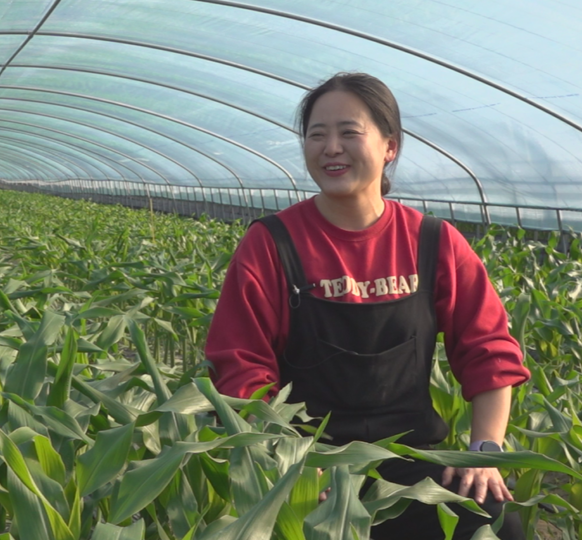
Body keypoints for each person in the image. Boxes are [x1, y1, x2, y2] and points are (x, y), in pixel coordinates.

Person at [204, 72, 531, 539]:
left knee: (498, 521)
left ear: (389, 146)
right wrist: (285, 457)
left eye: (349, 132)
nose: (331, 148)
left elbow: (489, 351)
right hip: (306, 462)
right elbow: (241, 364)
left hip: (410, 460)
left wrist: (484, 451)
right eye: (317, 135)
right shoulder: (271, 243)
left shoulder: (433, 241)